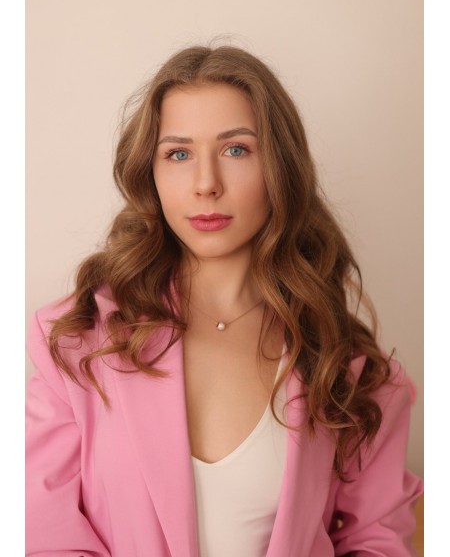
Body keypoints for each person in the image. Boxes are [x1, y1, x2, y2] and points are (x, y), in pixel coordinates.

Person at [26, 45, 423, 556]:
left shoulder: (350, 370)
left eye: (236, 150)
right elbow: (42, 533)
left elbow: (375, 540)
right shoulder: (78, 343)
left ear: (280, 166)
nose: (206, 184)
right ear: (150, 173)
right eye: (179, 154)